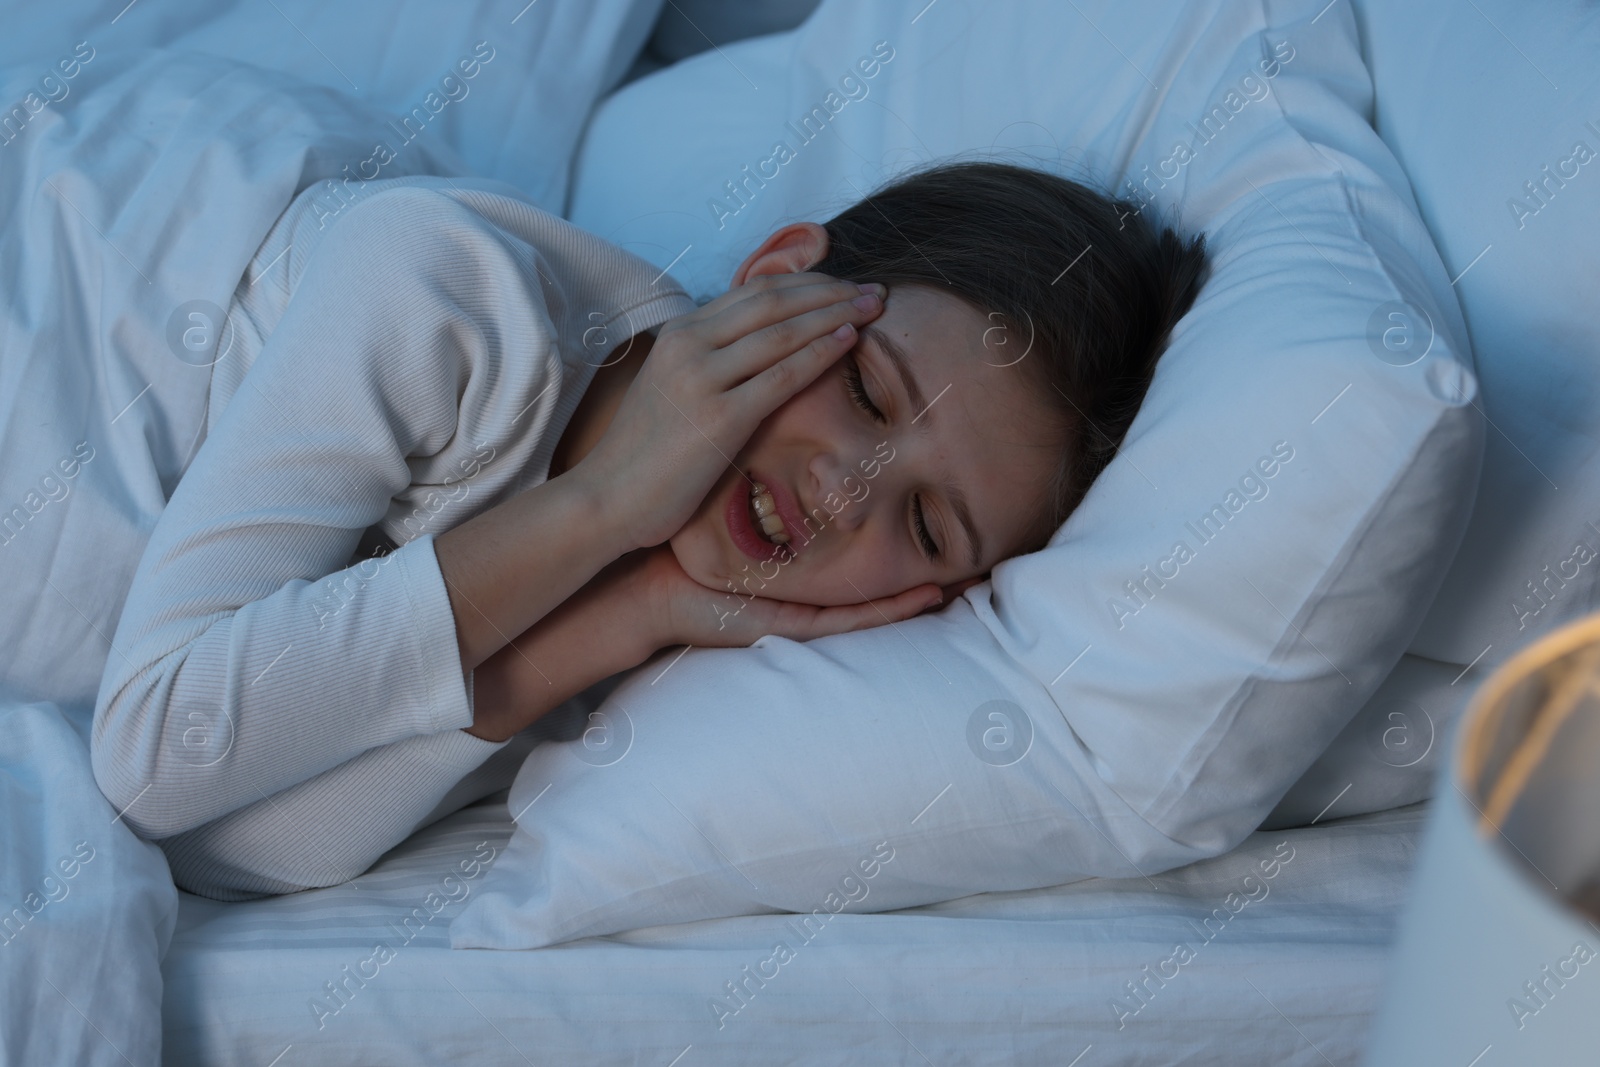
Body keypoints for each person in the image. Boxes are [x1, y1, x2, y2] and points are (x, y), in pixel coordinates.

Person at [90, 159, 1208, 899]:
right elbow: (154, 757)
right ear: (776, 276)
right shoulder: (438, 283)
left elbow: (209, 844)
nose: (844, 492)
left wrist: (610, 622)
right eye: (867, 393)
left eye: (924, 524)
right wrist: (602, 502)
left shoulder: (675, 645)